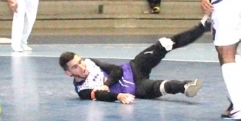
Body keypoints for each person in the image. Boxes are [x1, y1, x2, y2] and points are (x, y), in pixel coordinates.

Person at [59, 21, 208, 104]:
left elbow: (116, 70)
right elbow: (101, 96)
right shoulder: (83, 91)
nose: (82, 67)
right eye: (75, 67)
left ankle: (202, 26)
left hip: (134, 68)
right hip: (135, 89)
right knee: (162, 87)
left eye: (80, 62)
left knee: (165, 44)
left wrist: (107, 85)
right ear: (68, 73)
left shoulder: (90, 63)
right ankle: (187, 86)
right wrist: (118, 96)